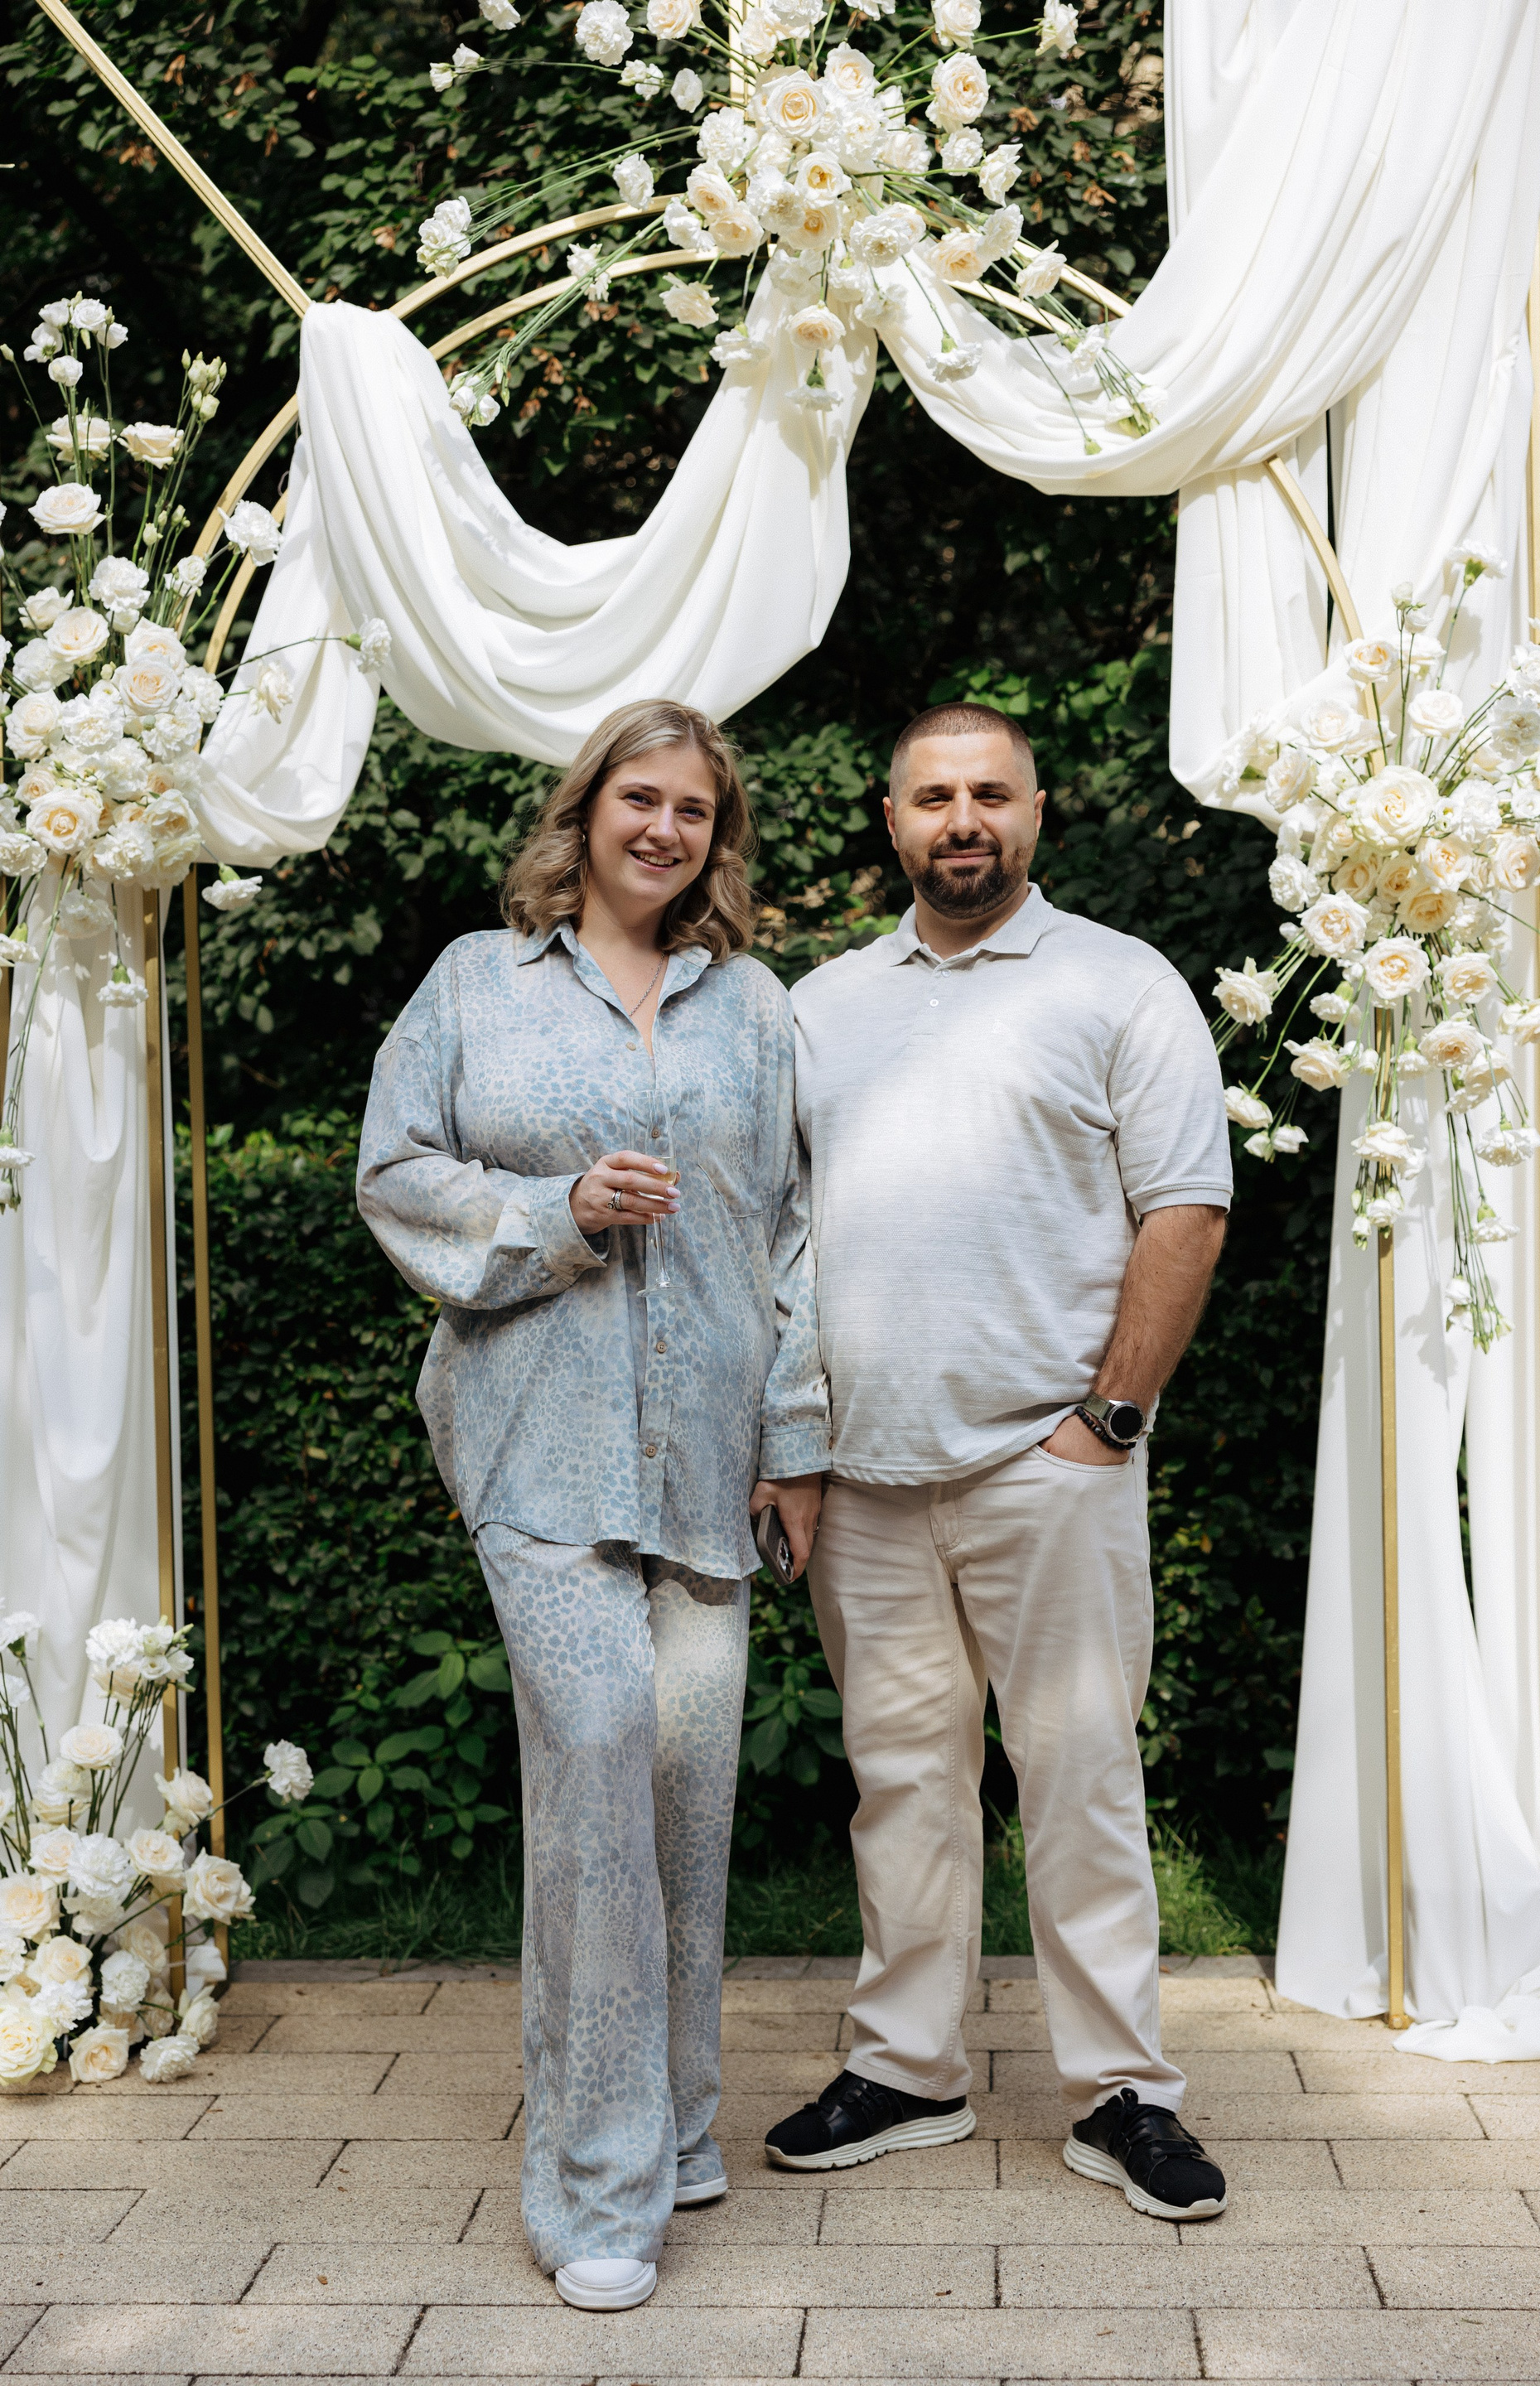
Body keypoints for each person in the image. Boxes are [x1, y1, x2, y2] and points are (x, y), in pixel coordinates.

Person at [357, 699, 827, 2310]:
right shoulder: (474, 984)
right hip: (536, 1450)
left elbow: (797, 1231)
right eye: (641, 797)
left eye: (695, 809)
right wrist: (557, 1209)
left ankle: (681, 2125)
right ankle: (597, 2191)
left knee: (687, 1798)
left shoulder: (754, 1009)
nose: (664, 829)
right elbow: (393, 1174)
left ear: (716, 837)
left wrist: (795, 1439)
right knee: (603, 1768)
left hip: (711, 1456)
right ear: (588, 809)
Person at [766, 701, 1233, 2223]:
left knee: (1081, 1779)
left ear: (1037, 810)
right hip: (867, 1478)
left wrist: (1110, 1421)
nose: (961, 820)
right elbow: (783, 1241)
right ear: (891, 819)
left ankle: (1122, 2092)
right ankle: (908, 2069)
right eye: (932, 797)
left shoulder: (1121, 982)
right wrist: (797, 1445)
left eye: (989, 794)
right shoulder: (821, 1006)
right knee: (900, 1785)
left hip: (1054, 1463)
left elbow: (1186, 1207)